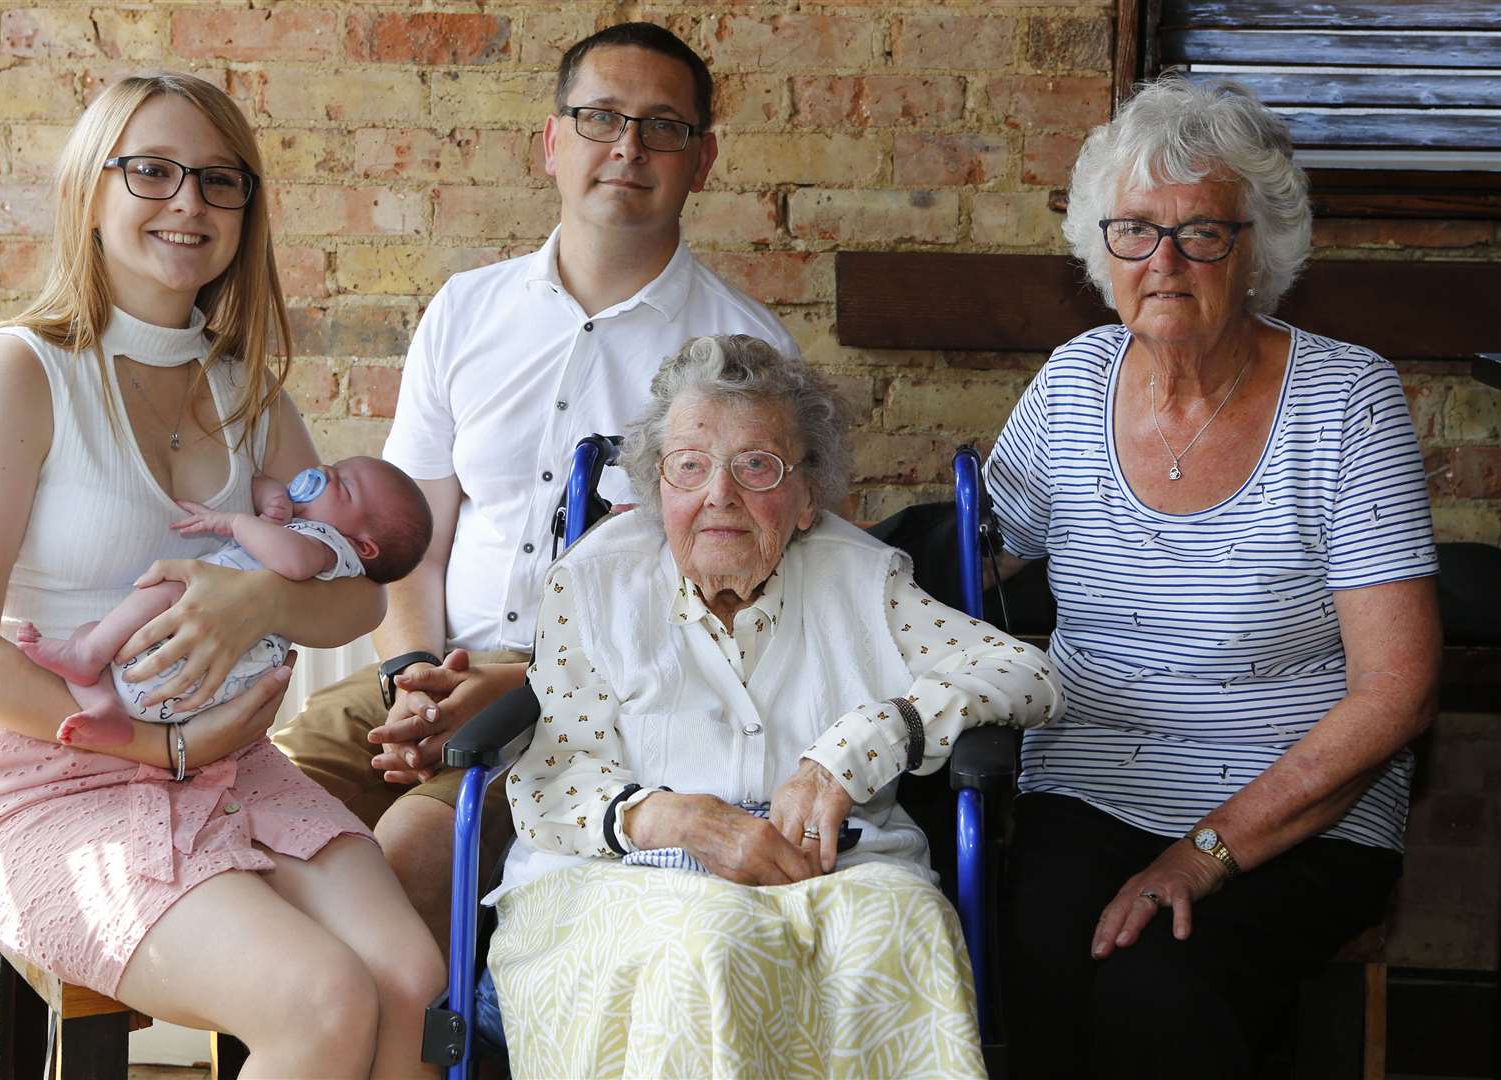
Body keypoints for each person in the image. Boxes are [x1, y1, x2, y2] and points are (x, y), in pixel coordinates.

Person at [0, 73, 444, 1078]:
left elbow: (361, 595)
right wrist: (161, 744)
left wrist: (267, 600)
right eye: (150, 171)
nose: (188, 202)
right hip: (43, 775)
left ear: (247, 208)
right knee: (320, 999)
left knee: (408, 974)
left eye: (217, 180)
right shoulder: (19, 372)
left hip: (231, 766)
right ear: (89, 190)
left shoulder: (247, 390)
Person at [271, 21, 801, 955]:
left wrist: (517, 687)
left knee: (408, 859)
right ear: (552, 142)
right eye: (600, 117)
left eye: (662, 126)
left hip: (600, 712)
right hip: (432, 670)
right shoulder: (466, 312)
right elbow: (411, 546)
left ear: (703, 159)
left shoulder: (745, 356)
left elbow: (730, 614)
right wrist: (410, 681)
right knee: (247, 817)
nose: (628, 147)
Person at [986, 77, 1441, 1078]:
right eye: (1137, 231)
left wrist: (1202, 852)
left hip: (1293, 812)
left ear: (1260, 247)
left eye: (1204, 233)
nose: (1166, 261)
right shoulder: (1073, 385)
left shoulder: (1346, 401)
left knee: (1163, 991)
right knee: (1033, 968)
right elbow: (977, 555)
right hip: (1091, 784)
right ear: (1098, 248)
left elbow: (1397, 691)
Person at [484, 334, 1063, 1075]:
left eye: (757, 465)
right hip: (620, 878)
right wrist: (681, 819)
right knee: (712, 944)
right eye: (689, 466)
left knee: (901, 927)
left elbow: (1026, 673)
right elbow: (555, 779)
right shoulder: (592, 585)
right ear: (656, 487)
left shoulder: (863, 581)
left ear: (805, 496)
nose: (719, 494)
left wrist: (868, 741)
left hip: (834, 870)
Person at [17, 456, 431, 744]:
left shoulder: (329, 547)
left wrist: (233, 522)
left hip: (201, 659)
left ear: (364, 546)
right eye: (336, 467)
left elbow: (292, 559)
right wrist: (273, 497)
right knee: (98, 633)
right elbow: (264, 494)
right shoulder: (306, 527)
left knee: (169, 588)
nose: (324, 471)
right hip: (181, 683)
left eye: (343, 485)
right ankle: (108, 709)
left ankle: (88, 655)